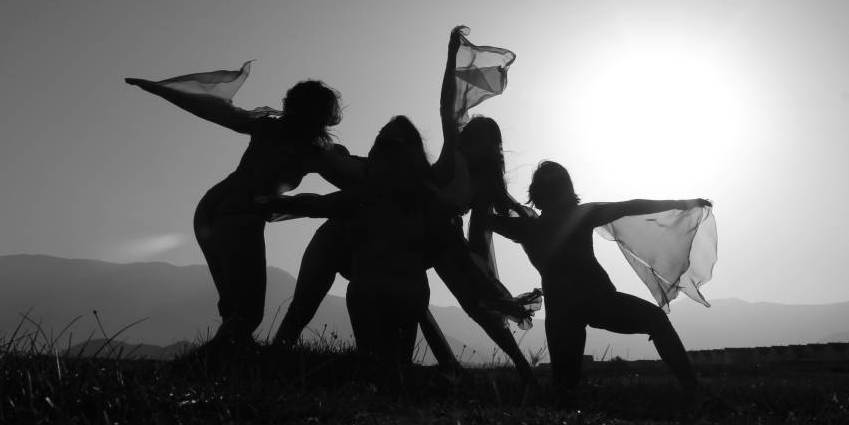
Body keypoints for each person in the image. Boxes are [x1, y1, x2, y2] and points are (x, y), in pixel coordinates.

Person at [272, 27, 540, 381]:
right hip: (377, 228)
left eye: (483, 142)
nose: (474, 143)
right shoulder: (441, 165)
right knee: (307, 304)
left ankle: (515, 367)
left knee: (447, 310)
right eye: (472, 138)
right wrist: (451, 57)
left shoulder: (473, 187)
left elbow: (473, 243)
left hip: (426, 236)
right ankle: (277, 357)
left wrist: (487, 285)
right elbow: (449, 110)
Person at [124, 67, 342, 353]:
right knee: (248, 313)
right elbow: (351, 178)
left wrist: (159, 89)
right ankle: (194, 369)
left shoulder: (267, 127)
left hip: (211, 208)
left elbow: (216, 110)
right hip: (239, 215)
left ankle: (232, 362)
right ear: (324, 115)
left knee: (232, 305)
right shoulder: (313, 152)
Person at [488, 161, 710, 395]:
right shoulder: (573, 217)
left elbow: (630, 206)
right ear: (567, 190)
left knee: (565, 388)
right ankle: (694, 390)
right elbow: (630, 206)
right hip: (595, 302)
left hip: (570, 309)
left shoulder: (531, 227)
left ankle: (695, 391)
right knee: (566, 387)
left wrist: (480, 198)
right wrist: (681, 204)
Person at [267, 116, 449, 383]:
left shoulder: (422, 191)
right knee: (303, 307)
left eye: (390, 140)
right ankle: (275, 360)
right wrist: (274, 203)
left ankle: (390, 370)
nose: (383, 145)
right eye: (380, 138)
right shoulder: (368, 176)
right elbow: (322, 202)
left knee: (395, 354)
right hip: (336, 243)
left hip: (381, 269)